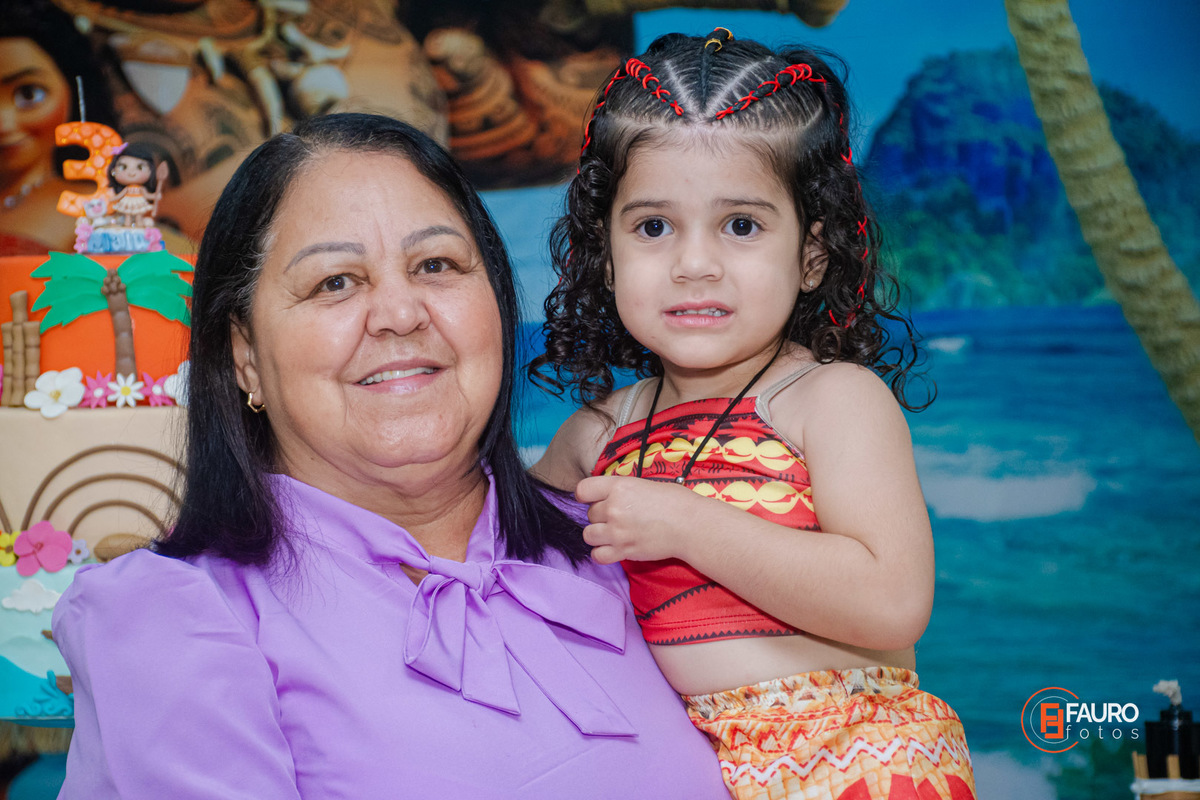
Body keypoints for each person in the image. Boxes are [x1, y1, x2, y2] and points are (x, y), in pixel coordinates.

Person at [51, 112, 728, 799]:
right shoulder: (173, 621)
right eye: (335, 282)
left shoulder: (630, 539)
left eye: (436, 265)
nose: (401, 314)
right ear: (244, 354)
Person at [530, 30, 976, 800]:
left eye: (741, 225)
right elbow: (498, 540)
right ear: (604, 254)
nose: (694, 264)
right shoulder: (597, 435)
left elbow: (893, 602)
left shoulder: (829, 400)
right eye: (653, 227)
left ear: (811, 255)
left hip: (860, 759)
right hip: (692, 773)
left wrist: (686, 524)